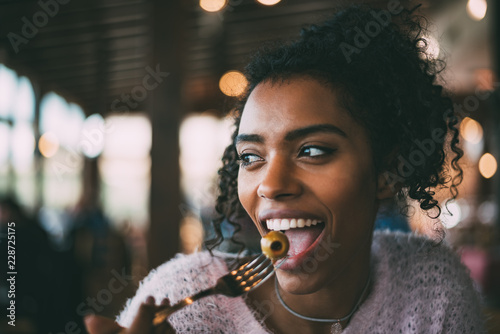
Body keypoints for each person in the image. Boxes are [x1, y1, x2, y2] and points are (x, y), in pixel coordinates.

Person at [85, 4, 486, 333]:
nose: (270, 186)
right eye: (250, 157)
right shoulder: (181, 305)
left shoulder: (432, 289)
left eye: (312, 150)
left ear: (388, 169)